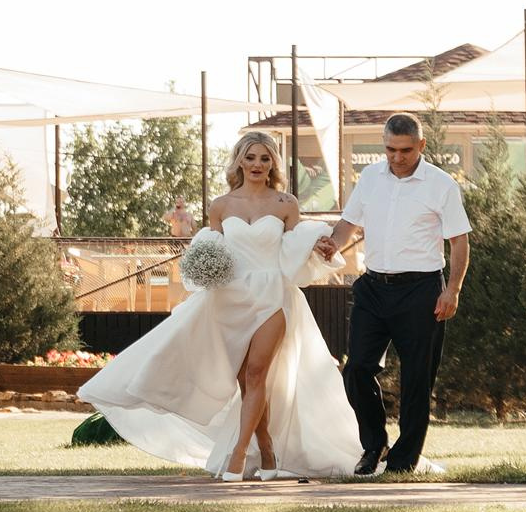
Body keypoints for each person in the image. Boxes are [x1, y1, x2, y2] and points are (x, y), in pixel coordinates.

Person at [79, 131, 363, 480]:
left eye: (264, 158)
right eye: (250, 157)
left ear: (272, 162)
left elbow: (292, 247)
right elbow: (213, 249)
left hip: (273, 294)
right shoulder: (221, 205)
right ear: (239, 161)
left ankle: (238, 455)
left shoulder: (284, 203)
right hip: (231, 299)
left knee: (258, 372)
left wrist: (317, 243)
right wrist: (203, 266)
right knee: (246, 380)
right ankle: (268, 449)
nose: (257, 164)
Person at [315, 113, 470, 475]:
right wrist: (332, 244)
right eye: (390, 149)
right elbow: (347, 223)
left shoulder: (441, 184)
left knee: (417, 378)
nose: (397, 157)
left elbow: (459, 242)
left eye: (405, 150)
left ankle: (403, 461)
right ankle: (374, 445)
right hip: (373, 287)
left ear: (421, 146)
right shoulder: (370, 177)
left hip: (422, 290)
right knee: (356, 370)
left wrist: (453, 290)